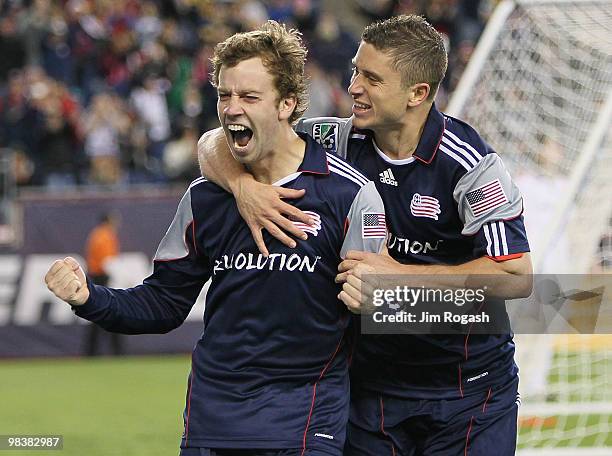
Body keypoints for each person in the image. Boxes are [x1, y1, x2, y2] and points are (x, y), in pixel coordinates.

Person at [45, 21, 386, 455]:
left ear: (287, 104)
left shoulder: (349, 195)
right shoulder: (205, 198)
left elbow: (378, 309)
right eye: (225, 95)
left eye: (248, 96)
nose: (231, 109)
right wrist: (88, 297)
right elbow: (163, 304)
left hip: (305, 423)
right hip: (213, 423)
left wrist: (381, 297)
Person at [198, 15, 532, 456]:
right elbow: (216, 140)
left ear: (417, 94)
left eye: (371, 78)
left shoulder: (471, 166)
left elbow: (515, 275)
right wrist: (243, 188)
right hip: (369, 393)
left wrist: (401, 277)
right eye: (356, 70)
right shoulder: (334, 140)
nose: (354, 85)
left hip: (469, 393)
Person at [84, 212, 122, 356]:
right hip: (102, 278)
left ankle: (92, 352)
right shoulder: (105, 235)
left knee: (98, 315)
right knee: (111, 313)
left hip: (96, 277)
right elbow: (107, 262)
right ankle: (117, 351)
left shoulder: (96, 234)